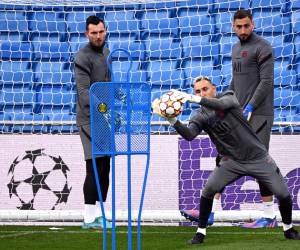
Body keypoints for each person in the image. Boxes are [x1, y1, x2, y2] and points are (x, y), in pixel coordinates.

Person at [152, 79, 300, 244]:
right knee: (208, 190)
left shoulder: (228, 97)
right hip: (231, 162)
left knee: (283, 194)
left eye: (205, 89)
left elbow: (221, 105)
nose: (202, 93)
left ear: (214, 89)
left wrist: (192, 99)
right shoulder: (199, 116)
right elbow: (189, 135)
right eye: (198, 92)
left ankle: (288, 229)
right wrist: (171, 120)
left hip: (258, 157)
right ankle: (200, 232)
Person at [182, 9, 277, 228]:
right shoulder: (235, 48)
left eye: (246, 26)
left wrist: (250, 106)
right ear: (233, 27)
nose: (242, 30)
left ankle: (270, 216)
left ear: (252, 24)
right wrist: (227, 99)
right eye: (238, 26)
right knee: (224, 157)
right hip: (239, 113)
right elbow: (235, 81)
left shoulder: (263, 47)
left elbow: (266, 81)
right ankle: (212, 212)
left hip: (259, 114)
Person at [74, 15, 112, 229]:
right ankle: (88, 218)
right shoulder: (82, 57)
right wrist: (104, 107)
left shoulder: (107, 52)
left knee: (105, 167)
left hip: (105, 118)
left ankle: (99, 214)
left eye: (101, 31)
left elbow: (109, 82)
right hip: (89, 119)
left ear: (105, 30)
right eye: (94, 33)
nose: (98, 36)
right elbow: (84, 93)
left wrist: (121, 97)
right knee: (94, 166)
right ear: (86, 34)